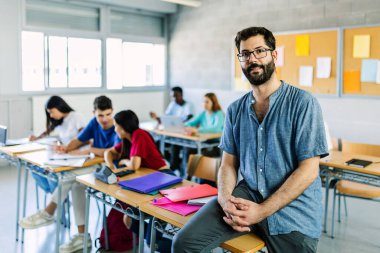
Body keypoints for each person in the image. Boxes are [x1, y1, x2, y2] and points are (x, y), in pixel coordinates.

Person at [172, 27, 329, 253]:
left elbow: (308, 170)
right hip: (247, 195)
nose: (252, 59)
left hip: (294, 210)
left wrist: (262, 211)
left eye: (259, 51)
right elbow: (228, 163)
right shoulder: (236, 110)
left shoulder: (303, 103)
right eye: (245, 54)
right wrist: (225, 198)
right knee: (184, 244)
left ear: (274, 55)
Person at [20, 95, 119, 253]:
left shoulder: (116, 126)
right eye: (100, 115)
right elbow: (79, 140)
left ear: (112, 111)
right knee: (77, 183)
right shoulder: (94, 123)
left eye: (108, 114)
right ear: (94, 113)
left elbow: (112, 153)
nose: (104, 119)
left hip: (111, 171)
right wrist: (66, 148)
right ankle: (82, 238)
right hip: (96, 167)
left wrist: (90, 150)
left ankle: (48, 212)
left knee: (70, 178)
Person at [104, 110, 174, 251]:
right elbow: (108, 152)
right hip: (150, 179)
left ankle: (171, 245)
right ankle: (156, 241)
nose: (115, 129)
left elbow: (135, 165)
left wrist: (124, 161)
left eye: (116, 125)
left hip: (165, 177)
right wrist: (110, 165)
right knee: (128, 219)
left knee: (151, 239)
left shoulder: (139, 134)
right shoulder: (127, 140)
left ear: (124, 127)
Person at [28, 96, 86, 193]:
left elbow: (85, 139)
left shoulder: (76, 116)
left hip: (76, 155)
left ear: (59, 107)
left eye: (51, 112)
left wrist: (68, 148)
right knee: (34, 169)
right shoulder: (59, 120)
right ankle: (56, 196)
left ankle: (58, 200)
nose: (50, 115)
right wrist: (37, 137)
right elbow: (48, 130)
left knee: (50, 173)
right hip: (64, 154)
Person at [150, 86, 193, 171]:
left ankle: (175, 165)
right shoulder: (172, 104)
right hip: (173, 133)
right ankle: (173, 163)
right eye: (172, 96)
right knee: (157, 143)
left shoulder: (189, 105)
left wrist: (181, 123)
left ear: (181, 95)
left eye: (176, 95)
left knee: (175, 145)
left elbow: (190, 119)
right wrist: (157, 118)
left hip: (183, 134)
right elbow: (166, 118)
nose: (174, 98)